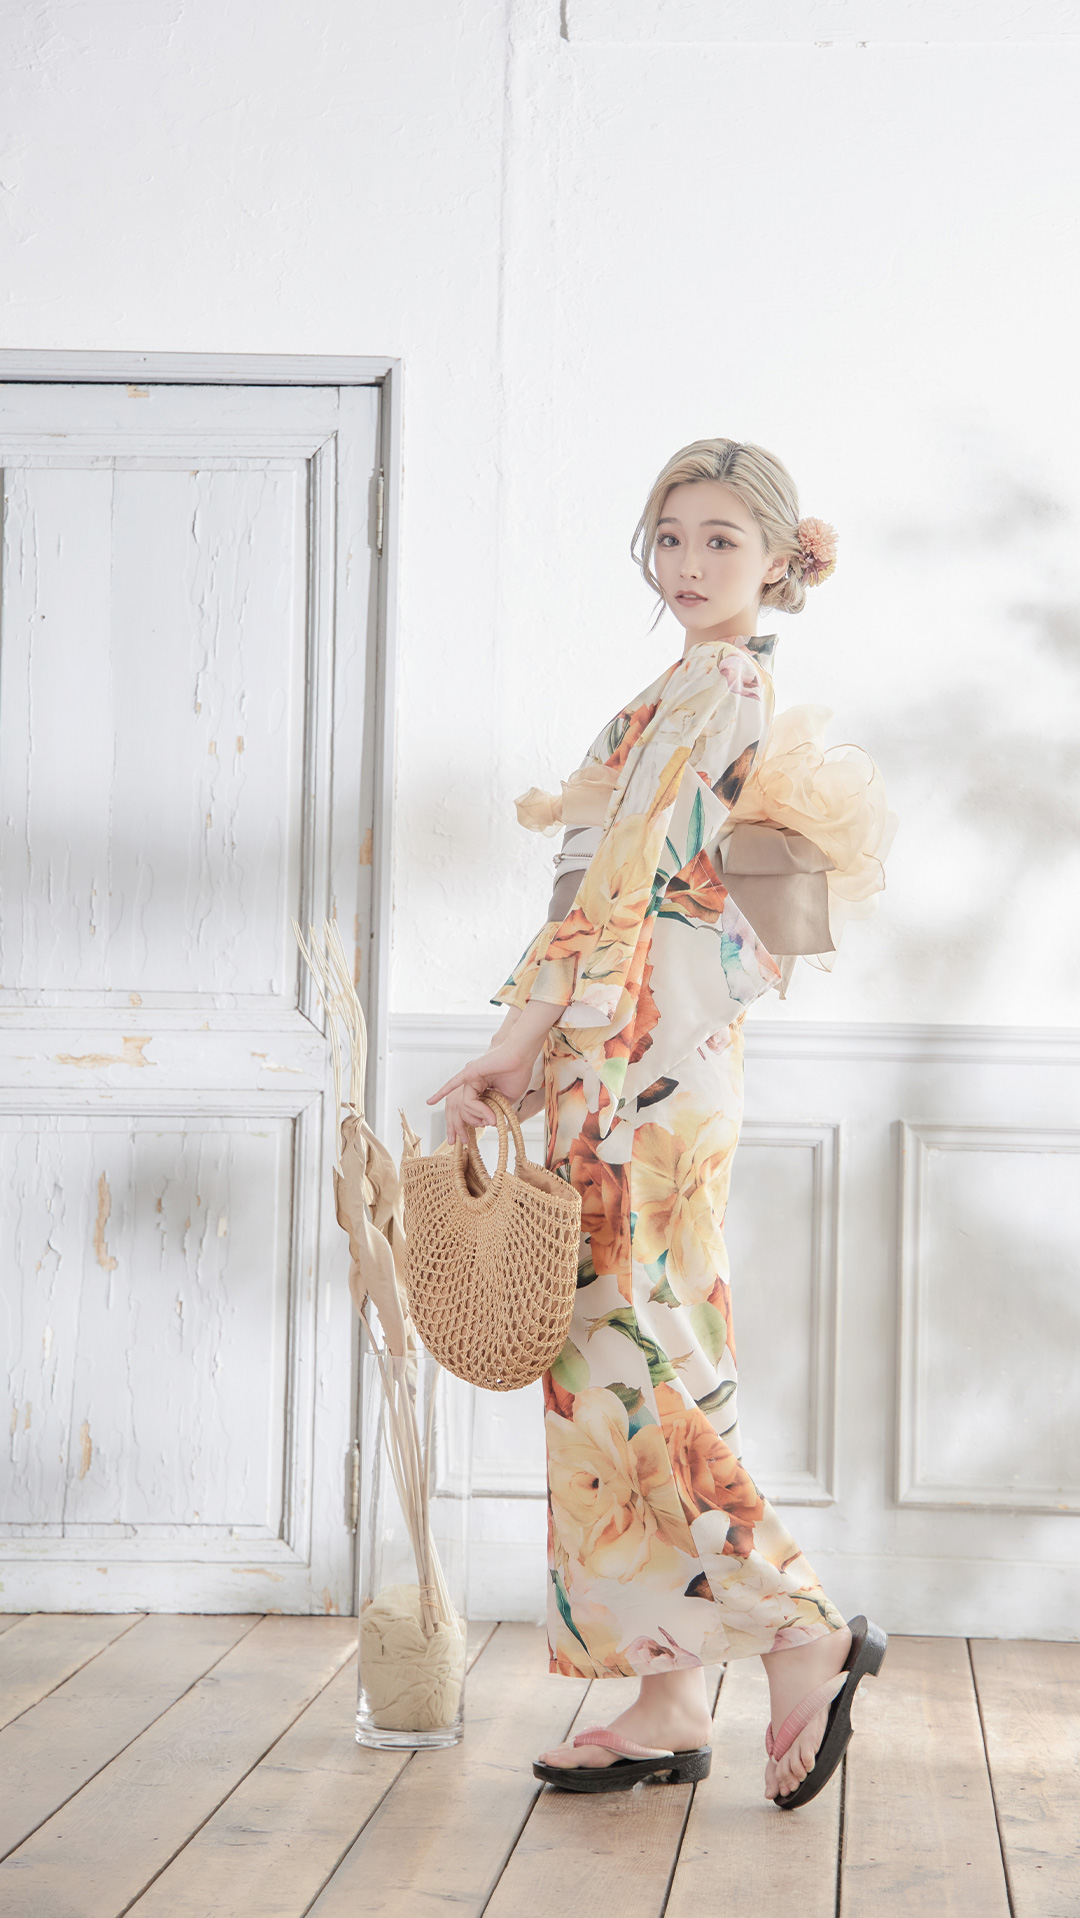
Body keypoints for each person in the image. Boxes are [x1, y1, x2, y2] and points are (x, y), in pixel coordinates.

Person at [429, 438, 889, 1809]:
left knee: (639, 1361)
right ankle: (669, 1690)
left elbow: (621, 885)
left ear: (779, 558)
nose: (687, 564)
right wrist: (538, 1052)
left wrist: (518, 1044)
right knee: (620, 1356)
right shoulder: (688, 683)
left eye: (719, 542)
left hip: (640, 1066)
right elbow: (610, 883)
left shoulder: (723, 682)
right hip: (636, 1052)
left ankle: (803, 1631)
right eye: (669, 538)